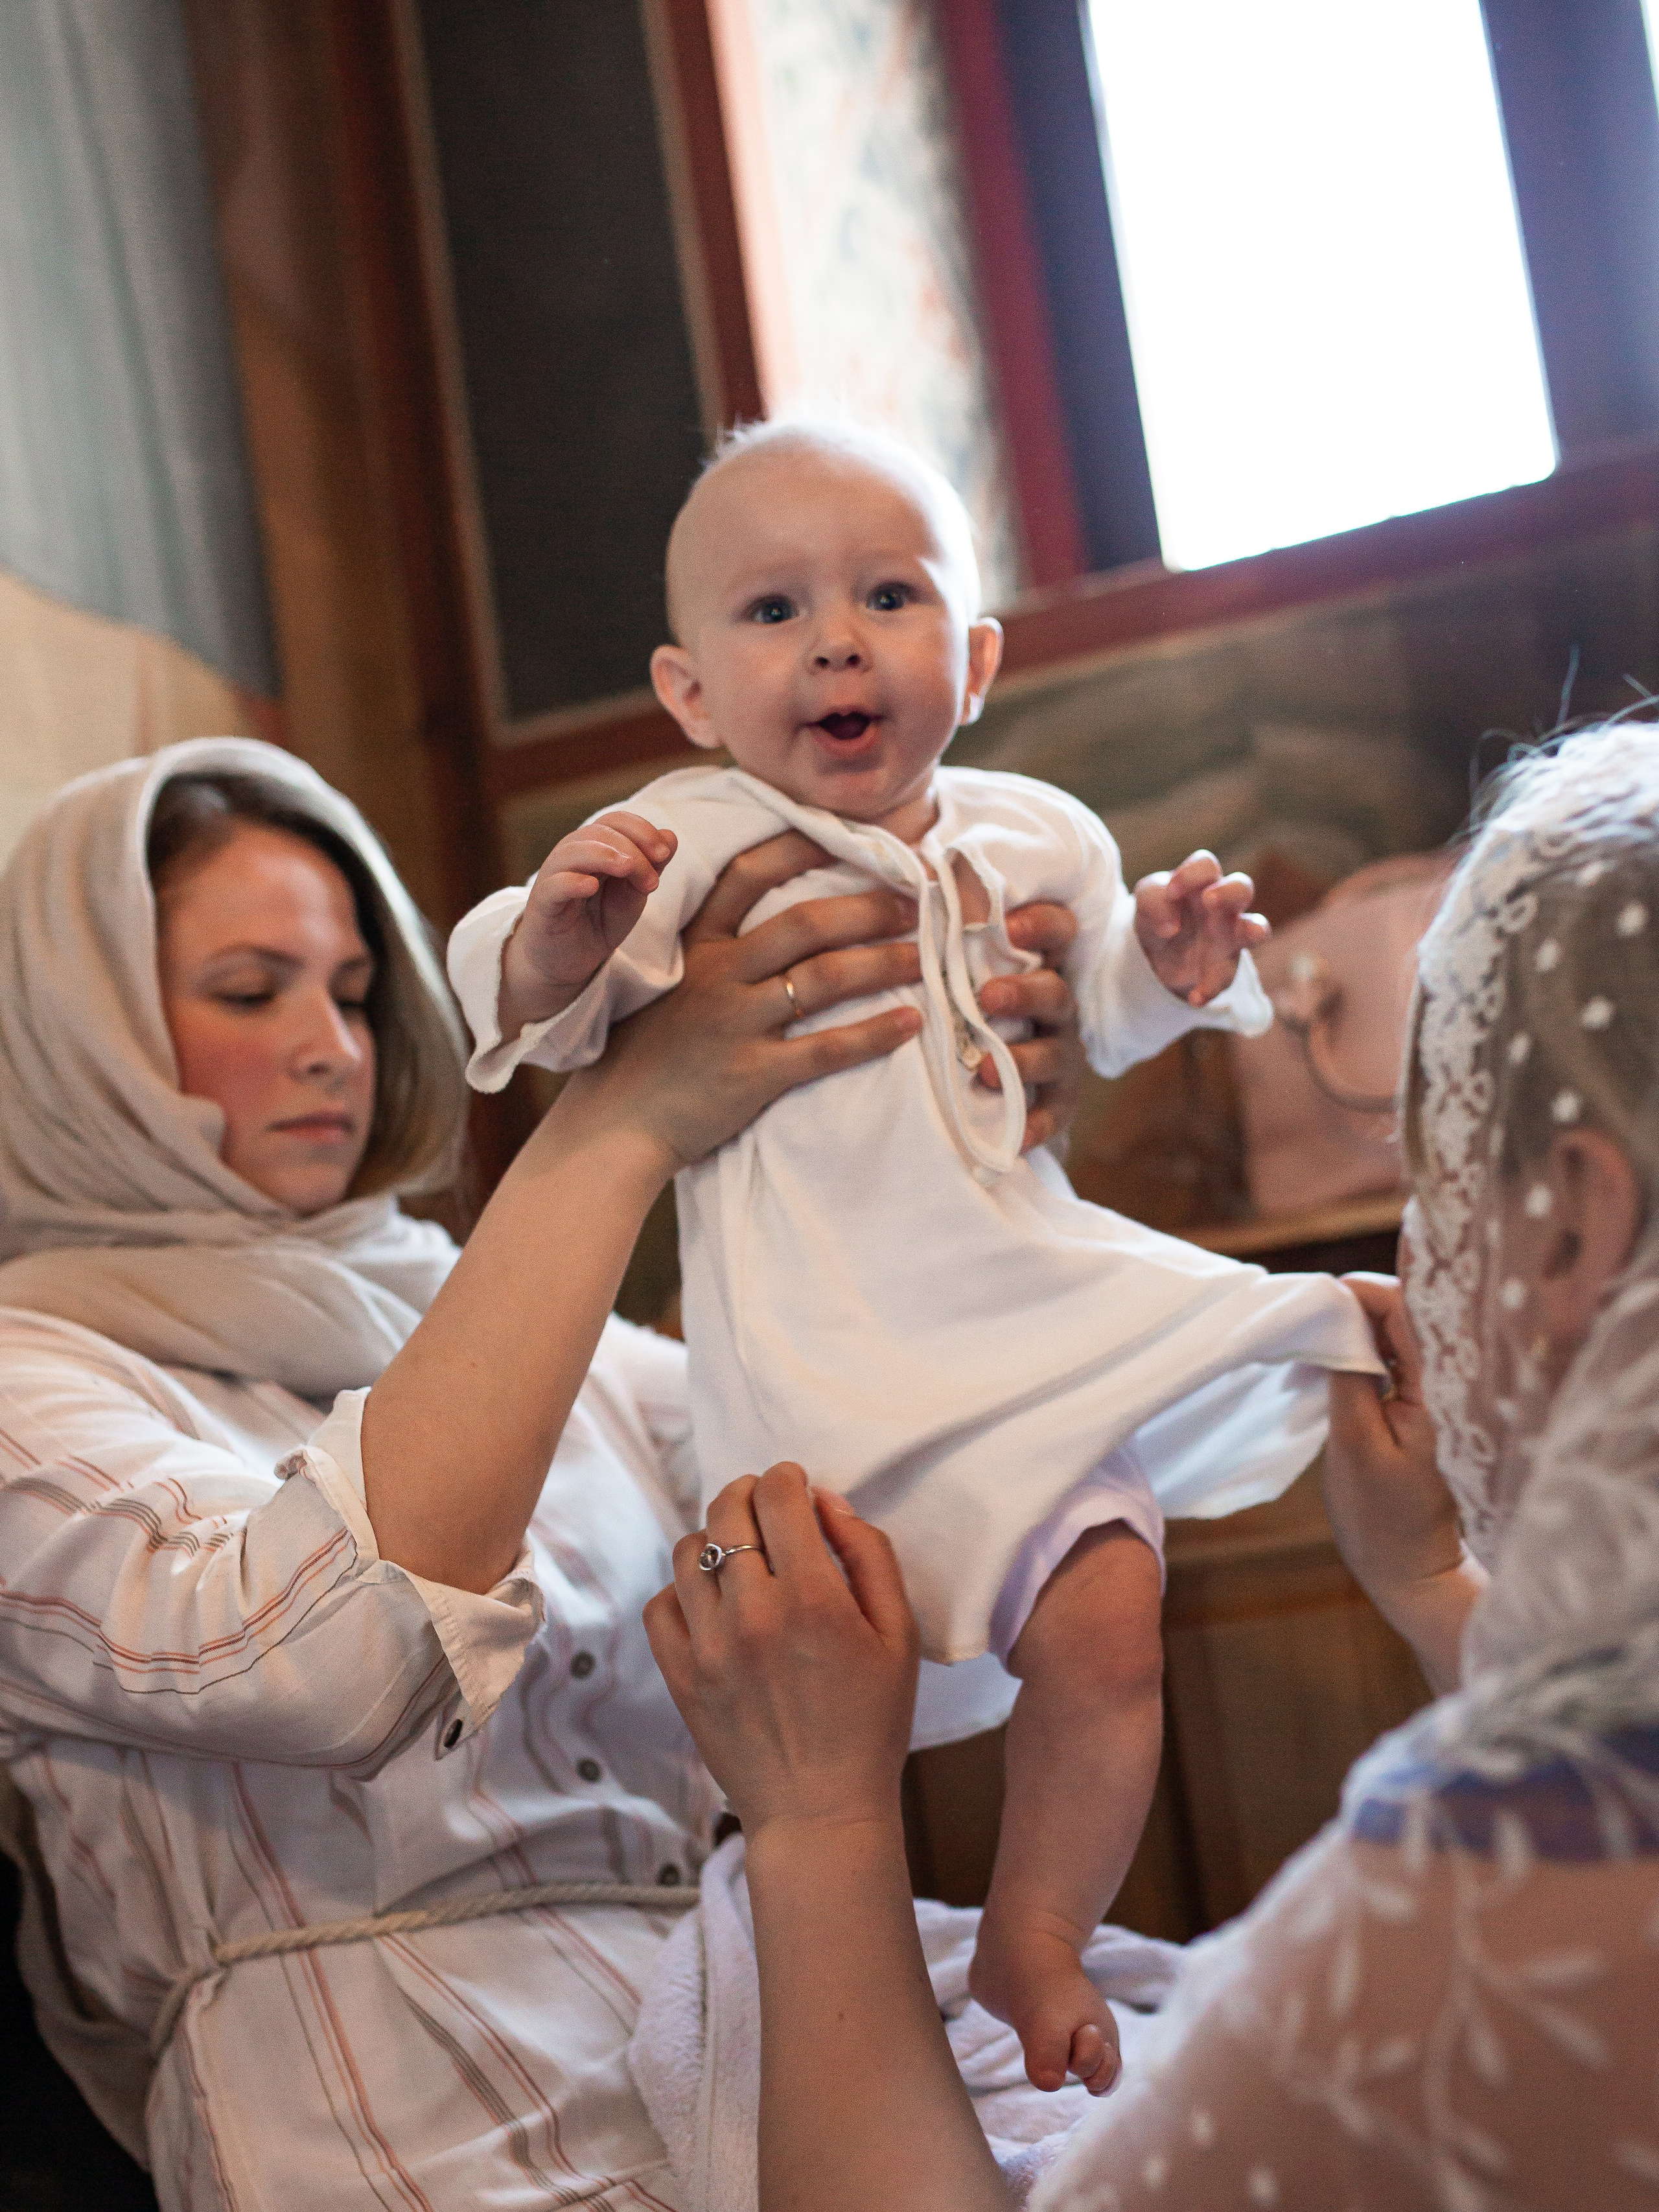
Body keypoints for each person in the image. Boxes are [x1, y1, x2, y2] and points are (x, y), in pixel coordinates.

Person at [0, 733, 1084, 2207]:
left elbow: (873, 1555)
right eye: (251, 992)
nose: (333, 1045)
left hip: (743, 2029)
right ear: (79, 1038)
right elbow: (309, 1656)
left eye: (356, 993)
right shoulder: (35, 1374)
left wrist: (962, 1148)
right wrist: (618, 1122)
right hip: (396, 2115)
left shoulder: (478, 1311)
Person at [448, 416, 1380, 2095]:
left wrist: (1163, 965)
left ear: (980, 652)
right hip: (814, 1357)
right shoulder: (697, 831)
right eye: (774, 611)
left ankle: (1037, 1928)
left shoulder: (1034, 834)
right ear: (687, 692)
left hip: (1018, 1315)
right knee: (826, 1706)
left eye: (889, 593)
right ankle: (834, 1979)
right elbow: (539, 991)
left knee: (1110, 1615)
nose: (837, 639)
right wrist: (553, 940)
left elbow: (1094, 1002)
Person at [645, 723, 1659, 2209]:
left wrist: (816, 1826)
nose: (1409, 1245)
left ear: (1570, 1221)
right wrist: (1427, 1579)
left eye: (1425, 1164)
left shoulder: (1455, 1909)